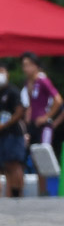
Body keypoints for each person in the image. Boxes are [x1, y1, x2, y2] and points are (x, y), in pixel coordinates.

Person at [20, 53, 64, 197]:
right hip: (32, 124)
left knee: (44, 154)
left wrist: (46, 116)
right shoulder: (29, 83)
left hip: (44, 125)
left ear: (35, 66)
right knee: (35, 158)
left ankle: (51, 189)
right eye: (24, 65)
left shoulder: (43, 80)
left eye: (28, 65)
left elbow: (58, 100)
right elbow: (31, 104)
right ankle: (41, 191)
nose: (25, 68)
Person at [0, 62, 26, 197]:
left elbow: (20, 111)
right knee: (6, 166)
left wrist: (5, 124)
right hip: (2, 135)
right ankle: (11, 195)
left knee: (14, 164)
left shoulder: (12, 91)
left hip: (13, 134)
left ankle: (18, 194)